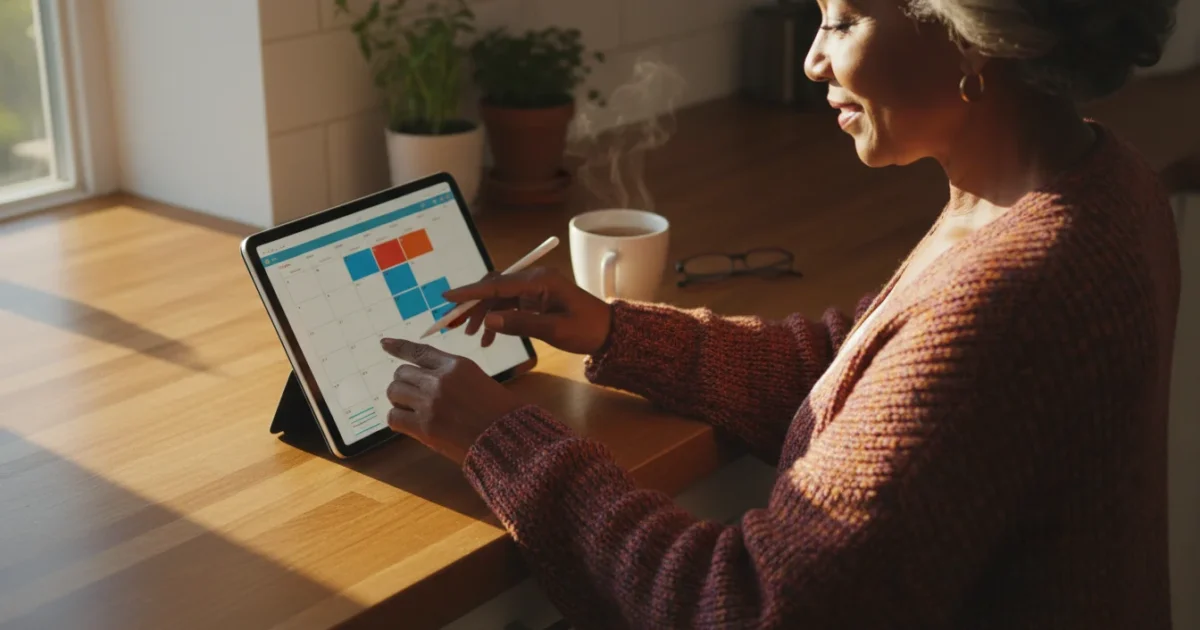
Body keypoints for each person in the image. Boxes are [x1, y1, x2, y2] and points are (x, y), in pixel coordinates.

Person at [379, 0, 1181, 625]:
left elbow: (753, 608)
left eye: (842, 20)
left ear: (972, 40)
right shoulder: (1088, 180)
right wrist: (617, 330)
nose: (812, 57)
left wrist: (501, 441)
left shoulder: (1016, 292)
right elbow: (866, 368)